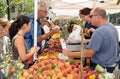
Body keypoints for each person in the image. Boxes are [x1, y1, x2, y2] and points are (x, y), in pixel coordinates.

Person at [63, 7, 119, 73]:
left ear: (98, 17)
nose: (90, 18)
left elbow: (89, 53)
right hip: (113, 66)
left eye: (91, 16)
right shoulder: (112, 27)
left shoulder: (99, 31)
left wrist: (70, 54)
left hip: (102, 68)